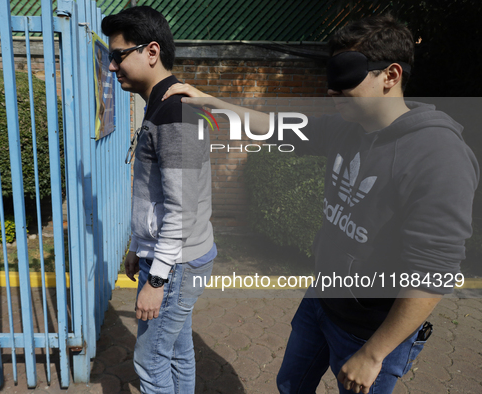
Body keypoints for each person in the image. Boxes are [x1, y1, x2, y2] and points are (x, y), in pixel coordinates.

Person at [162, 14, 479, 394]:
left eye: (346, 75)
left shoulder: (438, 156)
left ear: (390, 75)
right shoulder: (348, 128)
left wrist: (375, 354)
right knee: (291, 386)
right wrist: (213, 103)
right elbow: (279, 127)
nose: (331, 90)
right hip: (321, 301)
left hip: (370, 333)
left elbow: (433, 273)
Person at [101, 6, 216, 394]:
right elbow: (157, 195)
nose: (112, 67)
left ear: (150, 52)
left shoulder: (175, 112)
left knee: (149, 361)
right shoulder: (162, 103)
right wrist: (139, 247)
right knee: (177, 351)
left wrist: (157, 277)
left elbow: (181, 208)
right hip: (172, 255)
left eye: (117, 56)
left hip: (177, 262)